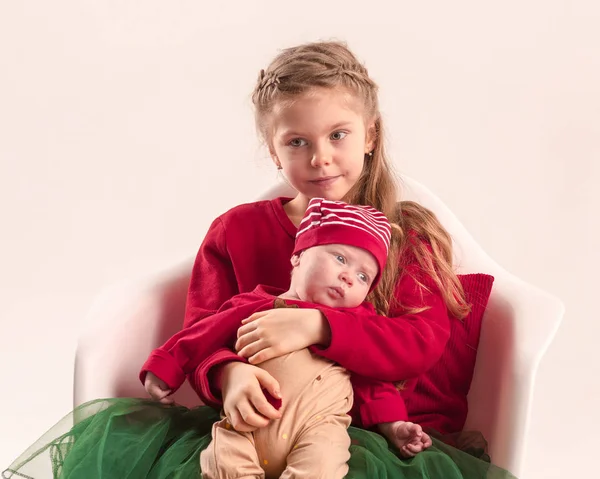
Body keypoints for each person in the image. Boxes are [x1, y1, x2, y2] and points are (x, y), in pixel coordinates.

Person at [3, 40, 517, 479]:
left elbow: (419, 344)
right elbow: (203, 331)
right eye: (298, 141)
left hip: (348, 429)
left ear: (370, 135)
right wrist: (229, 375)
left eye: (338, 134)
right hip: (245, 424)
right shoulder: (238, 230)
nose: (320, 157)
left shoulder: (406, 234)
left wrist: (318, 326)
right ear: (274, 151)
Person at [142, 198, 432, 478]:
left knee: (321, 465)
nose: (348, 277)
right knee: (223, 463)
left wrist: (393, 424)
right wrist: (165, 366)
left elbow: (372, 380)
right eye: (340, 258)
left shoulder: (355, 324)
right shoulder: (254, 304)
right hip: (246, 426)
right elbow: (201, 334)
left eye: (362, 277)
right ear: (298, 256)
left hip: (317, 428)